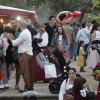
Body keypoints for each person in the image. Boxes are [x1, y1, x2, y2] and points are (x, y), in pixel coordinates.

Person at [5, 19, 35, 95]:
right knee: (28, 71)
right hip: (28, 53)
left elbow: (15, 44)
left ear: (21, 26)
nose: (17, 26)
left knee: (25, 72)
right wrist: (13, 38)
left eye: (18, 24)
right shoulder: (26, 32)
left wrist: (9, 37)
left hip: (24, 54)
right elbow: (19, 41)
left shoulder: (23, 33)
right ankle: (30, 87)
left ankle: (27, 88)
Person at [6, 18, 21, 90]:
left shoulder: (20, 31)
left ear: (17, 23)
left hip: (17, 50)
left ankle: (17, 84)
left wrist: (12, 37)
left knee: (18, 68)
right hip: (10, 50)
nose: (12, 25)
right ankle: (6, 83)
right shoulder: (9, 30)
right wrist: (8, 38)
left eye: (13, 23)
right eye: (11, 23)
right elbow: (7, 41)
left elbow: (19, 41)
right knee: (6, 67)